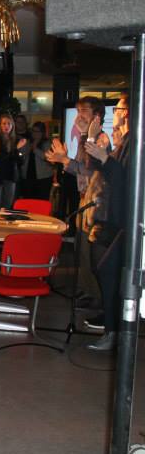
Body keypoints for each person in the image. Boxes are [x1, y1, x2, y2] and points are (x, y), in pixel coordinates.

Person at [77, 92, 131, 351]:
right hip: (107, 214)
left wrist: (104, 155)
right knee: (105, 271)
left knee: (108, 273)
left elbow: (120, 177)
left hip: (116, 218)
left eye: (118, 109)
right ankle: (113, 330)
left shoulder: (131, 142)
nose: (115, 114)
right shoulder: (125, 141)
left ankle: (115, 331)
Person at [19, 121, 53, 201]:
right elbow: (21, 156)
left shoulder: (47, 143)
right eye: (33, 131)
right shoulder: (27, 142)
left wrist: (35, 149)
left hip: (43, 178)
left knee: (41, 201)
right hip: (28, 177)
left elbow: (47, 157)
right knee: (28, 200)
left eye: (37, 131)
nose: (35, 133)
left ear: (42, 133)